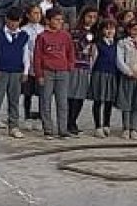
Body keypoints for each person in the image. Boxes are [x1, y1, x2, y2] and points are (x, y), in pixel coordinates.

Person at [0, 7, 31, 139]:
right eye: (11, 21)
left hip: (16, 71)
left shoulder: (24, 36)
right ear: (6, 20)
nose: (13, 24)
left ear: (20, 21)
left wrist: (26, 71)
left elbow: (26, 55)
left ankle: (14, 126)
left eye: (16, 22)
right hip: (1, 71)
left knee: (14, 100)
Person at [33, 9, 75, 139]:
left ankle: (63, 129)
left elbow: (70, 52)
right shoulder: (42, 36)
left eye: (61, 20)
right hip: (47, 72)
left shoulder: (65, 36)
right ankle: (48, 129)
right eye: (56, 19)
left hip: (62, 71)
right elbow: (37, 56)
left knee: (62, 102)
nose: (59, 22)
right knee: (45, 101)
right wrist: (39, 74)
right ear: (48, 21)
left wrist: (70, 66)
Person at [66, 9, 99, 137]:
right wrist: (88, 40)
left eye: (94, 17)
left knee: (80, 96)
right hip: (74, 65)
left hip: (85, 67)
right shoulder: (75, 31)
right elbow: (77, 47)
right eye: (89, 16)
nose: (91, 20)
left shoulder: (93, 33)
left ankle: (74, 121)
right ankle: (69, 121)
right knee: (71, 95)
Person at [89, 20, 120, 138]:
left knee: (109, 100)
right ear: (102, 31)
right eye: (107, 29)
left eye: (112, 29)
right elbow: (93, 61)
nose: (110, 31)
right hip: (99, 74)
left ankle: (107, 124)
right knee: (98, 100)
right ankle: (98, 126)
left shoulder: (117, 44)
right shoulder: (97, 44)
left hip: (112, 74)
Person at [19, 3, 46, 130]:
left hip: (41, 65)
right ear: (28, 15)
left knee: (42, 93)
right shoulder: (23, 30)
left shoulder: (44, 30)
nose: (37, 16)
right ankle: (27, 116)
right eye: (34, 13)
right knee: (27, 92)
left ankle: (41, 117)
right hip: (28, 64)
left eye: (39, 13)